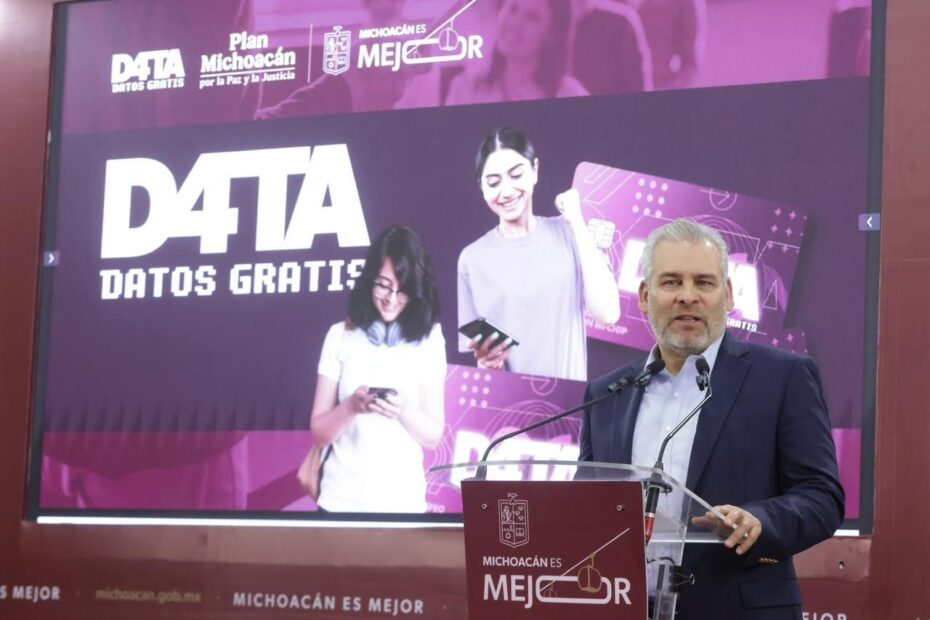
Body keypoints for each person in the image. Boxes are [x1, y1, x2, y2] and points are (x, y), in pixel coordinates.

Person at [579, 219, 844, 618]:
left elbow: (822, 496)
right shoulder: (605, 394)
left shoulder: (784, 377)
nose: (688, 296)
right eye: (671, 282)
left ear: (729, 294)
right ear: (645, 296)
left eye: (704, 282)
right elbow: (586, 507)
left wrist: (761, 519)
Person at [299, 226, 446, 513]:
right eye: (383, 285)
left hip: (402, 506)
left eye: (402, 290)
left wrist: (403, 409)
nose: (391, 298)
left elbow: (433, 436)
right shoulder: (340, 335)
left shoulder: (429, 340)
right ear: (369, 282)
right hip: (338, 503)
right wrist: (350, 407)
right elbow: (319, 433)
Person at [457, 127, 620, 381]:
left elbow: (607, 314)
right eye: (494, 182)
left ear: (535, 170)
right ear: (482, 187)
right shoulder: (472, 259)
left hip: (571, 400)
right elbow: (486, 369)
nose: (506, 191)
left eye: (516, 175)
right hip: (512, 404)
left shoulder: (569, 232)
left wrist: (577, 221)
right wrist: (490, 365)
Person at [445, 0, 587, 105]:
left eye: (531, 17)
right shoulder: (465, 89)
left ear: (552, 34)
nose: (514, 24)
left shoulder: (571, 96)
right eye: (512, 9)